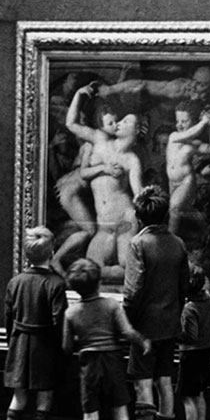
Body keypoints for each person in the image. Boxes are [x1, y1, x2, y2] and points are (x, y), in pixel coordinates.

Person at [107, 185, 190, 420]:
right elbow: (184, 287)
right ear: (165, 214)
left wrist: (126, 324)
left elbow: (132, 292)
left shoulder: (138, 244)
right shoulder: (178, 244)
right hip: (170, 324)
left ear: (140, 217)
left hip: (144, 327)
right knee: (165, 380)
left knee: (143, 384)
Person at [62, 258, 151, 420]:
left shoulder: (71, 313)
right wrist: (143, 342)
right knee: (121, 414)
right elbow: (127, 332)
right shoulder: (112, 305)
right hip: (112, 362)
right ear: (99, 281)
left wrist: (81, 337)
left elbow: (66, 347)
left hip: (89, 365)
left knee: (90, 418)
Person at [2, 226, 68, 420]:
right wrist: (63, 348)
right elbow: (58, 321)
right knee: (44, 398)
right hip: (44, 348)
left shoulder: (15, 281)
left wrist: (12, 341)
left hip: (19, 343)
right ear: (51, 252)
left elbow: (8, 317)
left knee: (18, 397)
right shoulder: (56, 284)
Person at [63, 84, 144, 282]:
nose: (119, 122)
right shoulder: (99, 139)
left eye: (125, 121)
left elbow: (139, 194)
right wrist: (78, 95)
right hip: (103, 225)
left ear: (135, 131)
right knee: (92, 269)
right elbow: (71, 124)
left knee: (126, 268)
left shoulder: (132, 159)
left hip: (125, 221)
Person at [53, 102, 119, 273]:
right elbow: (83, 173)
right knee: (90, 230)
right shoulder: (90, 144)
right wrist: (105, 168)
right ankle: (56, 258)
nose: (116, 126)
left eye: (116, 122)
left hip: (77, 193)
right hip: (70, 192)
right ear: (100, 125)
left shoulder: (107, 144)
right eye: (110, 123)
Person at [171, 264, 210, 420]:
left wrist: (173, 334)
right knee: (199, 393)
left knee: (186, 396)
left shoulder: (189, 308)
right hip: (207, 352)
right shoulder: (209, 300)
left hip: (191, 354)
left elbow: (190, 336)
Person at [166, 100, 210, 234]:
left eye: (184, 121)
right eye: (178, 121)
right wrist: (204, 121)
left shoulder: (194, 143)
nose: (180, 125)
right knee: (180, 211)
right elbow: (190, 133)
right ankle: (205, 222)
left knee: (174, 209)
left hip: (186, 181)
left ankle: (170, 243)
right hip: (172, 183)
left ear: (193, 122)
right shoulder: (174, 136)